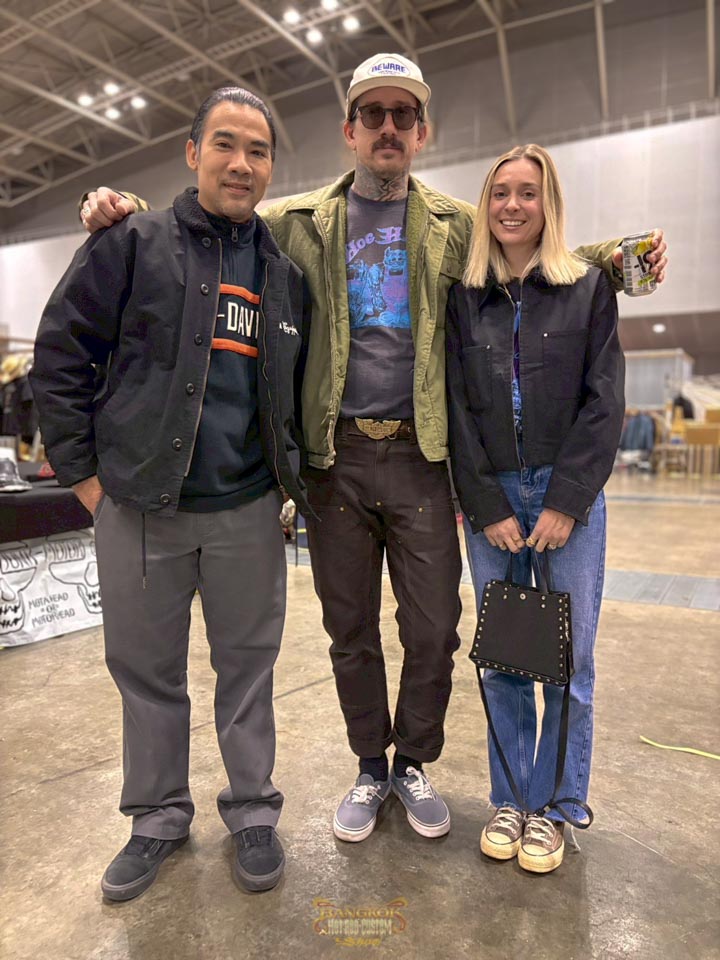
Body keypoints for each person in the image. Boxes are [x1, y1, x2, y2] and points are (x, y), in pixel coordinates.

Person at [79, 53, 667, 846]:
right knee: (349, 628)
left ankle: (413, 762)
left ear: (422, 132)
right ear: (349, 130)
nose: (388, 128)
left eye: (403, 115)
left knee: (434, 630)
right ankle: (368, 765)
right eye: (373, 114)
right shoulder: (300, 220)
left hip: (424, 457)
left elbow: (530, 244)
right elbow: (219, 219)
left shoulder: (457, 223)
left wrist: (618, 262)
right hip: (337, 462)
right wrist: (126, 210)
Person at [30, 87, 309, 900]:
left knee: (247, 670)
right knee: (146, 672)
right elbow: (61, 355)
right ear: (192, 153)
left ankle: (252, 809)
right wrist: (85, 479)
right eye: (225, 144)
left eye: (258, 150)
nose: (241, 163)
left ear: (270, 167)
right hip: (140, 509)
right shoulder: (131, 243)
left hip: (246, 510)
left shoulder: (284, 275)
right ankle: (156, 816)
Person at [446, 143, 626, 874]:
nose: (512, 205)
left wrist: (567, 503)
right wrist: (485, 503)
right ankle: (512, 800)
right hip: (494, 498)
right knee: (505, 660)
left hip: (563, 497)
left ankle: (555, 808)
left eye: (527, 192)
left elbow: (604, 401)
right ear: (485, 206)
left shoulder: (588, 288)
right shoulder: (466, 297)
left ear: (547, 204)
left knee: (569, 662)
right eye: (500, 193)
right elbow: (455, 407)